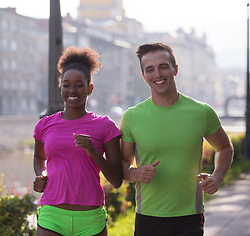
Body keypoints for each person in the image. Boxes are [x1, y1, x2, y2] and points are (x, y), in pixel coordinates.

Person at [120, 43, 234, 236]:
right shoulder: (132, 116)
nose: (158, 74)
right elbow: (122, 163)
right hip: (148, 216)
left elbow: (224, 147)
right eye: (150, 69)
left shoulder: (201, 112)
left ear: (175, 69)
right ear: (143, 76)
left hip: (189, 217)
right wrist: (134, 174)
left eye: (163, 66)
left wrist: (217, 176)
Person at [33, 46, 123, 236]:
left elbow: (116, 180)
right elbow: (38, 158)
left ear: (89, 88)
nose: (72, 90)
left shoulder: (105, 126)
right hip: (52, 216)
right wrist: (42, 175)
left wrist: (93, 152)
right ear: (61, 87)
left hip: (90, 220)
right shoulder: (45, 125)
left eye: (79, 84)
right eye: (66, 85)